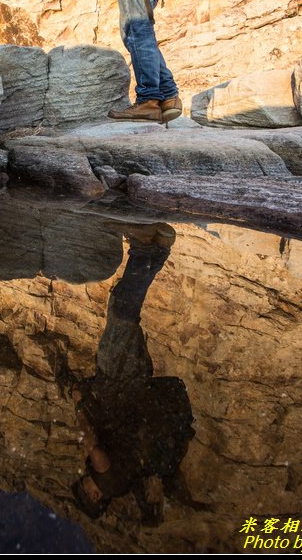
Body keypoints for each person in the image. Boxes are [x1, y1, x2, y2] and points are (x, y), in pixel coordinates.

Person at [70, 222, 195, 522]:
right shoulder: (108, 482)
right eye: (84, 488)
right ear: (95, 496)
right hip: (120, 384)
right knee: (121, 313)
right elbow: (96, 449)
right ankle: (144, 249)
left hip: (138, 389)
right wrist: (79, 410)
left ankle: (158, 249)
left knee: (126, 315)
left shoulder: (123, 484)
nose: (84, 482)